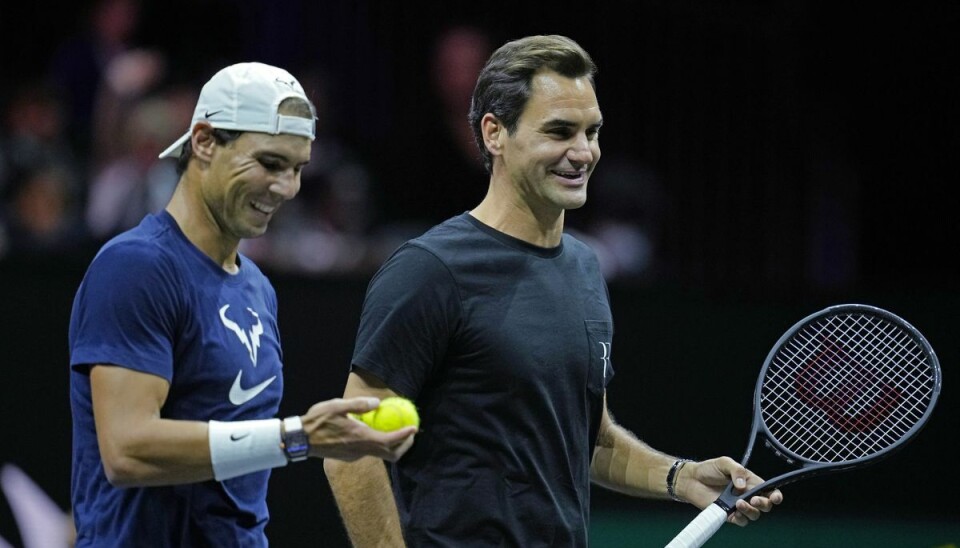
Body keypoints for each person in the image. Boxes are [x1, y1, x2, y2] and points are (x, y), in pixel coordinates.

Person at [323, 35, 783, 546]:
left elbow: (590, 439)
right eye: (560, 131)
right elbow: (350, 449)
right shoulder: (430, 271)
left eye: (593, 131)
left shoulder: (585, 268)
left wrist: (680, 477)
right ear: (495, 134)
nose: (583, 152)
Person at [68, 62, 417, 547]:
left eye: (297, 169)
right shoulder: (135, 267)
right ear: (205, 141)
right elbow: (127, 452)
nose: (286, 188)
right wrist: (298, 438)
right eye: (270, 163)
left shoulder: (257, 287)